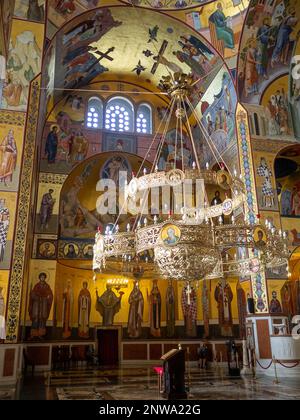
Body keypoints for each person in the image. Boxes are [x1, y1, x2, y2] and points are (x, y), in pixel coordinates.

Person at [28, 272, 53, 339]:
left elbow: (50, 294)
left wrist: (48, 297)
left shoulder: (47, 286)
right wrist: (33, 295)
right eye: (41, 277)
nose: (42, 278)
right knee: (35, 318)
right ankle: (33, 333)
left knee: (42, 319)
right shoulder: (36, 285)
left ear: (45, 278)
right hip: (36, 304)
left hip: (44, 305)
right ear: (39, 278)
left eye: (43, 277)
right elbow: (33, 294)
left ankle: (41, 334)